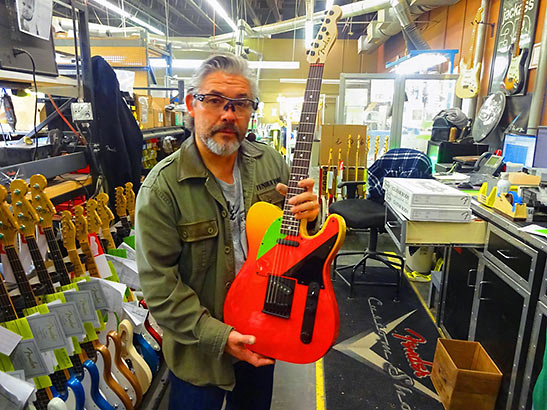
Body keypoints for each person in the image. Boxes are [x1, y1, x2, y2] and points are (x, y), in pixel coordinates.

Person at [135, 54, 319, 410]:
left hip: (264, 334)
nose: (228, 115)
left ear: (252, 110)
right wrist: (220, 336)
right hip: (198, 354)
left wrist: (310, 218)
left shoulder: (272, 163)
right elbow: (159, 288)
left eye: (240, 104)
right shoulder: (162, 188)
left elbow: (292, 246)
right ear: (192, 104)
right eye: (215, 100)